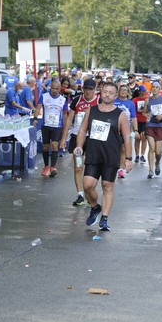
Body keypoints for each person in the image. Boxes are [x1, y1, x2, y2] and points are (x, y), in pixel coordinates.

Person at [74, 82, 133, 231]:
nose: (107, 94)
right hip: (94, 153)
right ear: (101, 92)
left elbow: (127, 138)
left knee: (107, 186)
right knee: (87, 185)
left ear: (116, 95)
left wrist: (128, 159)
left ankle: (104, 219)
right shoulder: (91, 111)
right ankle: (95, 207)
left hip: (110, 156)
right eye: (105, 91)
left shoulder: (120, 115)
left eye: (111, 92)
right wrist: (79, 146)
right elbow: (82, 130)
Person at [60, 78, 99, 206]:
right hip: (77, 138)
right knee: (78, 166)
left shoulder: (99, 101)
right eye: (85, 89)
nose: (88, 92)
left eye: (90, 89)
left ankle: (89, 192)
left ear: (95, 89)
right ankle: (80, 195)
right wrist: (63, 139)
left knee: (91, 167)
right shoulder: (76, 100)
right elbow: (69, 119)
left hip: (93, 139)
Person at [33, 80, 68, 177]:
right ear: (50, 88)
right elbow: (37, 108)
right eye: (53, 88)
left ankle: (53, 167)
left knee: (55, 145)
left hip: (57, 126)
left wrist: (65, 127)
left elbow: (65, 115)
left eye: (57, 88)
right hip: (46, 125)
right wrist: (35, 118)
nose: (55, 90)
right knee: (45, 147)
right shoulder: (44, 96)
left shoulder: (63, 99)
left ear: (60, 88)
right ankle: (46, 166)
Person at [143, 81, 162, 178]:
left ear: (159, 89)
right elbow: (143, 112)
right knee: (151, 148)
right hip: (150, 125)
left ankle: (157, 163)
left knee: (158, 152)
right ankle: (150, 170)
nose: (154, 89)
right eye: (153, 87)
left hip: (160, 125)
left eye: (156, 87)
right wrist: (146, 114)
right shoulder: (147, 100)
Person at [114, 85, 139, 178]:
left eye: (125, 90)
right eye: (122, 90)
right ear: (118, 91)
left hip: (125, 129)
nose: (123, 92)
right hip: (113, 128)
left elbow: (133, 117)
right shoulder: (114, 101)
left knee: (123, 149)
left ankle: (120, 169)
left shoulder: (130, 103)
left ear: (128, 92)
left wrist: (135, 130)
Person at [131, 86, 148, 164]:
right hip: (137, 121)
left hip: (145, 121)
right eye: (143, 91)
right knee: (137, 139)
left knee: (144, 138)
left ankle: (142, 155)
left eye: (145, 91)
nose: (144, 92)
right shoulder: (135, 100)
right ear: (139, 91)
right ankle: (137, 155)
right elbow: (132, 110)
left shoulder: (147, 99)